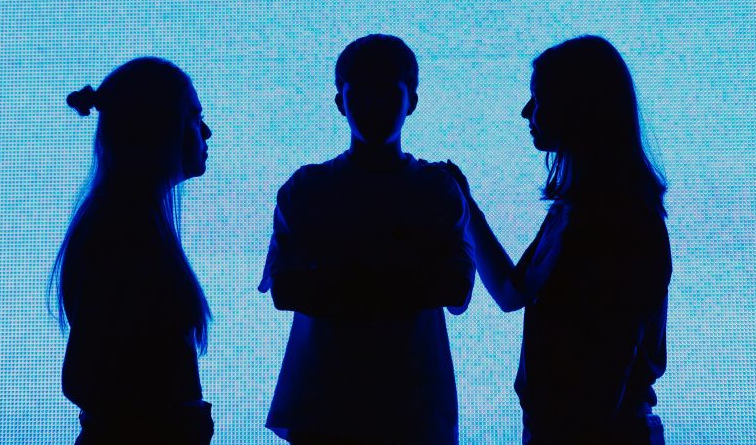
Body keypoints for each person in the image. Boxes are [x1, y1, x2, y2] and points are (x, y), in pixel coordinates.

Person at [445, 35, 672, 445]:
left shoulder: (606, 218)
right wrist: (466, 206)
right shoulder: (583, 210)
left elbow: (606, 364)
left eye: (539, 98)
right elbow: (513, 292)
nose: (526, 111)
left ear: (575, 106)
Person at [259, 34, 475, 445]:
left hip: (326, 407)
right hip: (412, 409)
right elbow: (451, 286)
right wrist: (406, 277)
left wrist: (339, 280)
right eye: (362, 93)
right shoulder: (435, 191)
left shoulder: (308, 190)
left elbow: (291, 287)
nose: (374, 105)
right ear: (341, 102)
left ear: (411, 100)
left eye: (386, 93)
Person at [48, 57, 214, 445]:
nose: (206, 131)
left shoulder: (124, 223)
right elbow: (85, 376)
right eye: (193, 116)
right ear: (159, 127)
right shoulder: (122, 231)